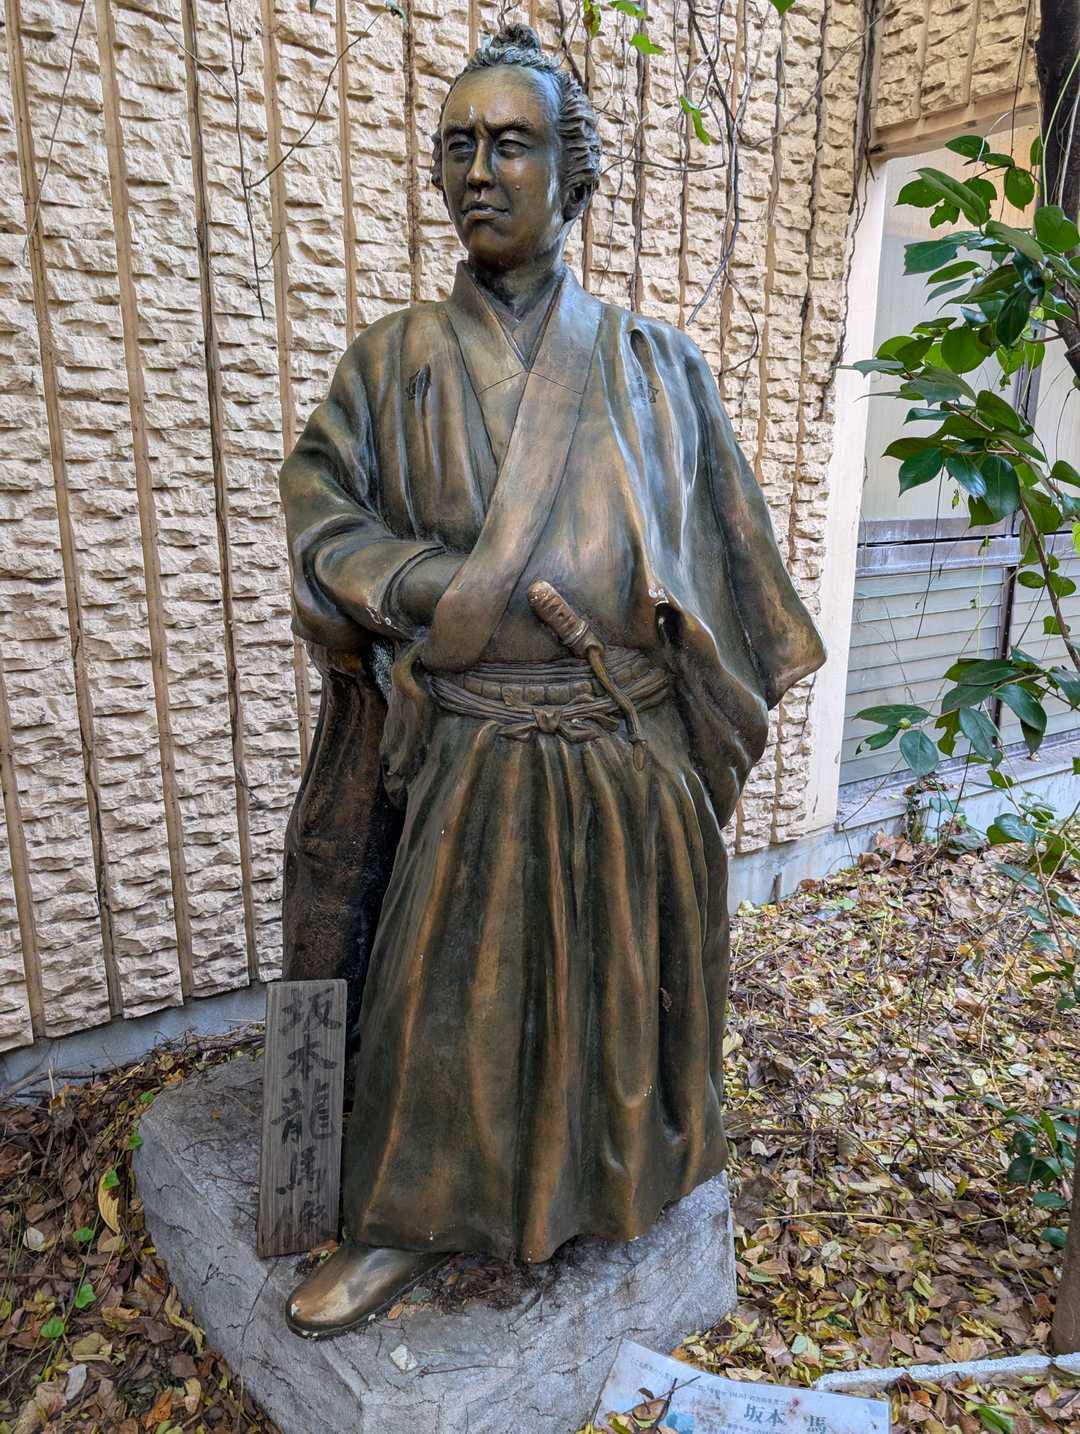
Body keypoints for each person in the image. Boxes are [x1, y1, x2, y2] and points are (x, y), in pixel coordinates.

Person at [278, 23, 824, 1339]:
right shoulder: (391, 363)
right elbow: (322, 511)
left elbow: (737, 572)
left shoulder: (658, 368)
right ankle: (407, 1218)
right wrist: (427, 587)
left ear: (574, 175)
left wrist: (684, 691)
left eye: (512, 144)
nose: (480, 171)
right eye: (457, 146)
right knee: (439, 1006)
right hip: (472, 745)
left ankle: (622, 1183)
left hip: (623, 741)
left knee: (618, 1000)